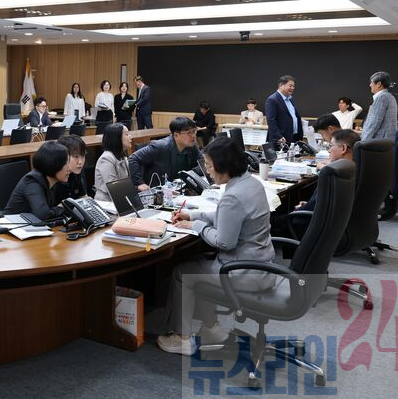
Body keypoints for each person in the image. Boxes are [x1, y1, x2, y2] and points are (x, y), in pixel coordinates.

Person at [157, 137, 275, 355]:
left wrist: (196, 225)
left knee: (182, 273)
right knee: (198, 265)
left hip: (243, 272)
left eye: (210, 166)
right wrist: (192, 214)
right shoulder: (251, 183)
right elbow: (226, 216)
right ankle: (210, 328)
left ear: (224, 165)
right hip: (261, 265)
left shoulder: (233, 196)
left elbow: (224, 242)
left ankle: (182, 338)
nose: (208, 171)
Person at [128, 117, 203, 189]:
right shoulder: (160, 147)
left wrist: (189, 174)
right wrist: (139, 183)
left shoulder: (191, 146)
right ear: (176, 135)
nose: (193, 136)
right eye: (189, 133)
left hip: (182, 188)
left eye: (194, 131)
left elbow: (203, 163)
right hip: (161, 191)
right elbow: (133, 158)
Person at [2, 142, 70, 220]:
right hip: (10, 225)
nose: (69, 168)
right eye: (66, 163)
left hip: (29, 225)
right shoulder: (32, 181)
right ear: (54, 164)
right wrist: (60, 208)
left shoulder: (51, 181)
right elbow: (43, 215)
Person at [94, 123, 132, 202]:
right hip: (106, 202)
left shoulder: (123, 157)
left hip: (120, 199)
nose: (130, 137)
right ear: (116, 138)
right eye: (127, 134)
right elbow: (114, 189)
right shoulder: (106, 159)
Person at [265, 75, 302, 146]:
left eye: (293, 86)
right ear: (281, 85)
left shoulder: (291, 99)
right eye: (290, 86)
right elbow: (271, 120)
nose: (292, 88)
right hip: (280, 139)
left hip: (293, 137)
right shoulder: (272, 100)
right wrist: (278, 136)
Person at [361, 71, 398, 141]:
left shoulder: (381, 97)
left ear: (379, 84)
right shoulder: (390, 97)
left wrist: (363, 142)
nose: (370, 85)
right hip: (388, 141)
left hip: (378, 141)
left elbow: (373, 123)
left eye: (371, 82)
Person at [54, 135, 88, 203]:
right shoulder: (54, 177)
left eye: (83, 156)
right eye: (76, 156)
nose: (80, 162)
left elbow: (84, 196)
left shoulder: (76, 172)